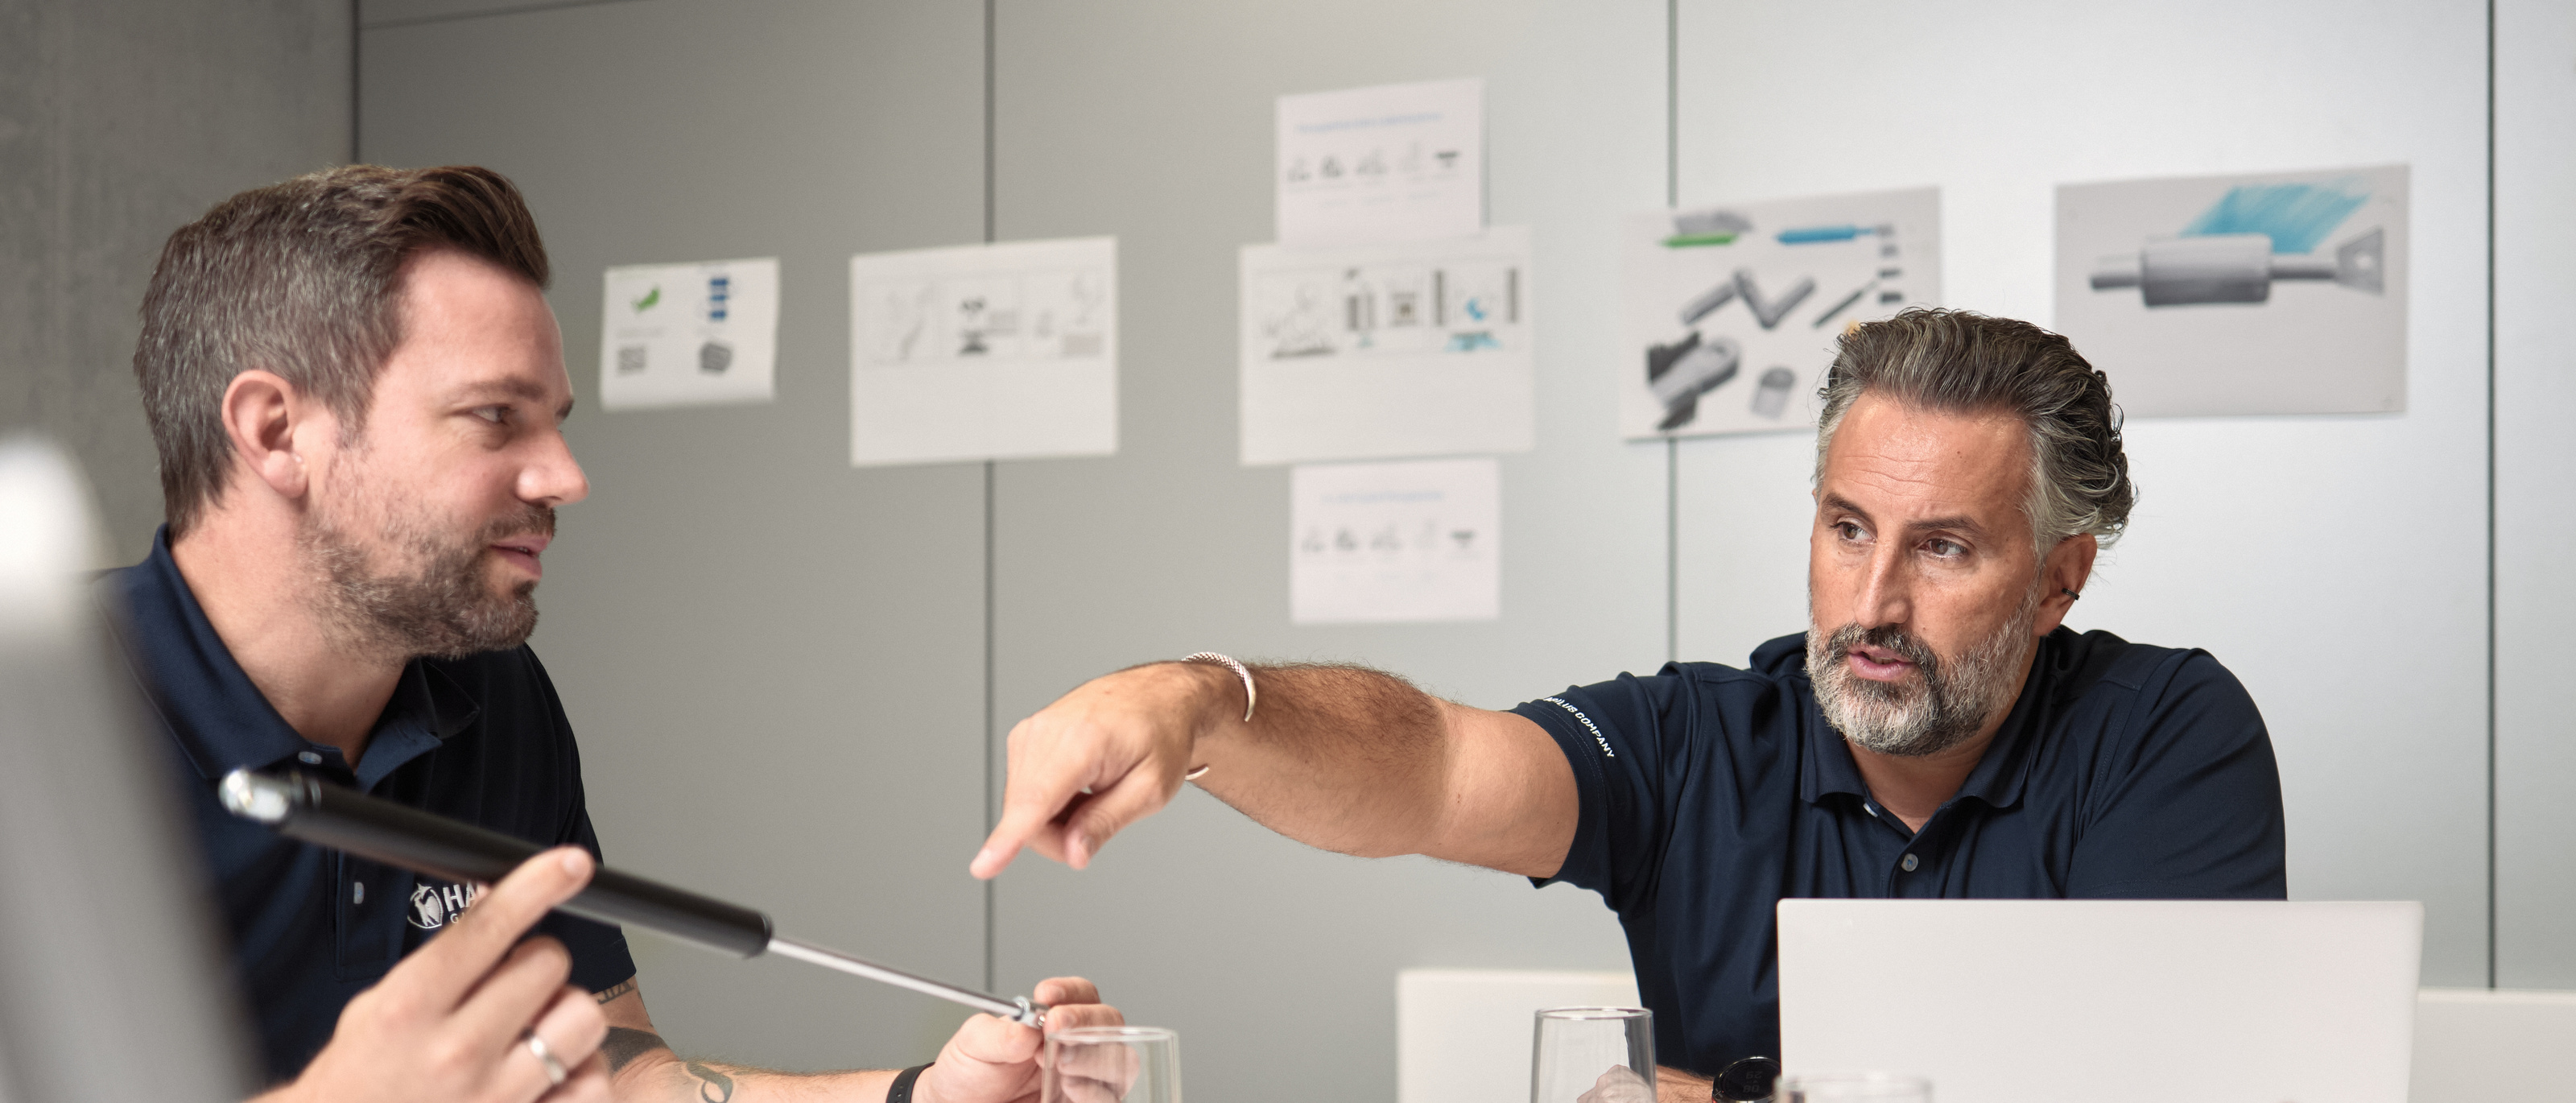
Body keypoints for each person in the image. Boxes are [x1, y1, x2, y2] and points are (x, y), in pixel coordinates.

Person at [969, 309, 2286, 1097]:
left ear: (2058, 579)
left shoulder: (2165, 735)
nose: (1874, 600)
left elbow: (2164, 1086)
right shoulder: (1699, 741)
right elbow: (1429, 765)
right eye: (1847, 528)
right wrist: (1203, 703)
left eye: (1943, 547)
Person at [98, 164, 1118, 1102]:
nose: (566, 476)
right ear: (277, 432)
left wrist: (921, 1097)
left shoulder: (488, 691)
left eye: (556, 420)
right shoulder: (48, 724)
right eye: (494, 416)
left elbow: (613, 1073)